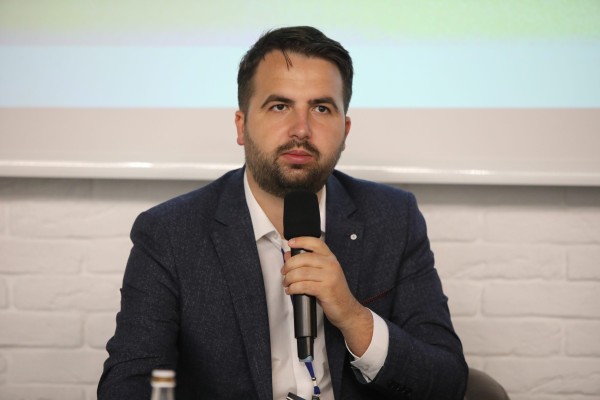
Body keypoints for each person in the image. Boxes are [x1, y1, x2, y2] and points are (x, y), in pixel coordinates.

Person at [98, 26, 467, 399]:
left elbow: (448, 382)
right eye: (279, 106)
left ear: (345, 130)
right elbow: (128, 384)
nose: (301, 130)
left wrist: (354, 317)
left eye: (321, 108)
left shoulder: (393, 218)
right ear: (242, 125)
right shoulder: (170, 233)